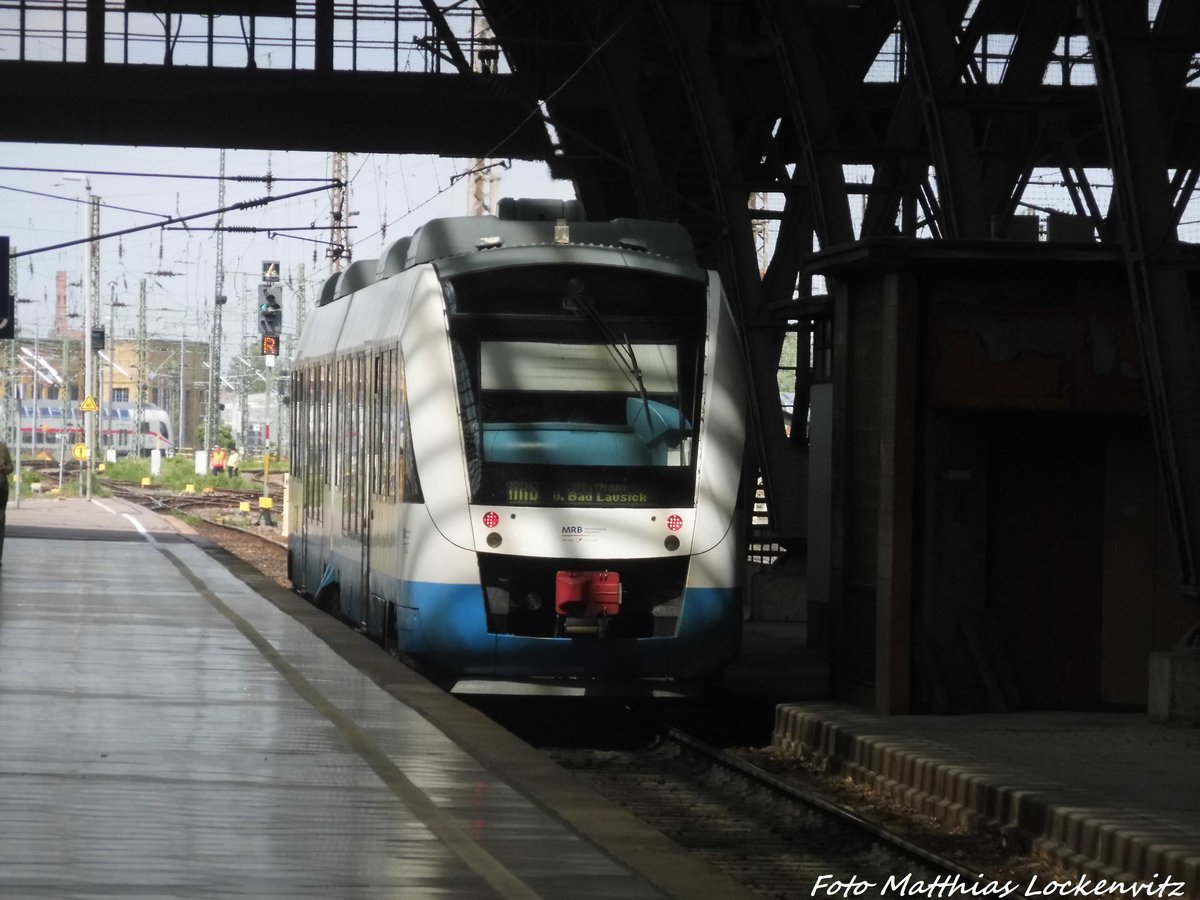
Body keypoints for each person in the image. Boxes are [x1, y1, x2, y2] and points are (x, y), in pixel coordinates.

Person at [0, 439, 12, 568]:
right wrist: (5, 469)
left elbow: (10, 467)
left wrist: (4, 469)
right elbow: (11, 467)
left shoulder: (2, 446)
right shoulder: (2, 446)